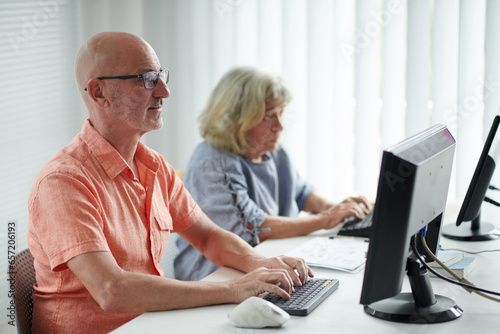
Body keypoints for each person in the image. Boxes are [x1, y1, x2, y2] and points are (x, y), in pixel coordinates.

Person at [27, 32, 313, 334]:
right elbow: (112, 289)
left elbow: (208, 236)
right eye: (146, 79)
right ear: (99, 93)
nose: (164, 91)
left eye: (161, 76)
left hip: (151, 323)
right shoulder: (63, 181)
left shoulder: (153, 165)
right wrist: (235, 288)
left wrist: (260, 265)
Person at [175, 66, 372, 281]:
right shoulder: (212, 162)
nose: (279, 126)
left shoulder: (272, 150)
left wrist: (335, 208)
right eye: (269, 116)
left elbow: (302, 193)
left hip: (264, 264)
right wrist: (325, 219)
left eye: (281, 113)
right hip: (214, 276)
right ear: (235, 119)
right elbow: (252, 227)